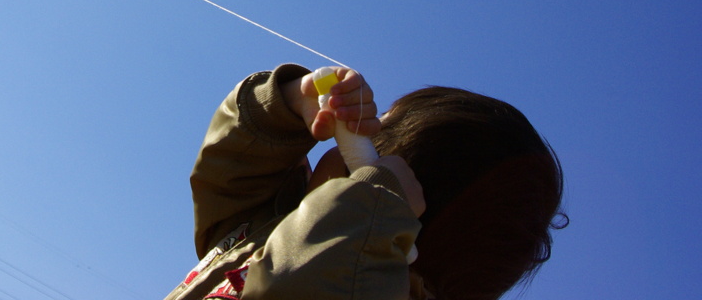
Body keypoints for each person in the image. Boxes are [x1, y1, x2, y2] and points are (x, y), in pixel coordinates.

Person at [163, 64, 564, 300]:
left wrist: (368, 212)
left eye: (372, 135)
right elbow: (230, 173)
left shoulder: (352, 271)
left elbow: (304, 282)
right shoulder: (270, 229)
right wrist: (285, 104)